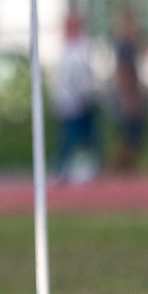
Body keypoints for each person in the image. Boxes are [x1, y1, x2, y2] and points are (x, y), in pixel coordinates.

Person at [51, 10, 100, 183]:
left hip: (82, 99)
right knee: (70, 136)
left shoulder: (83, 46)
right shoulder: (65, 48)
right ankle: (65, 168)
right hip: (69, 101)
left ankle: (87, 167)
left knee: (86, 136)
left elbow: (84, 74)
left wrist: (87, 93)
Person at [110, 5, 146, 174]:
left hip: (130, 93)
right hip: (128, 95)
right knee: (129, 136)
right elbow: (123, 72)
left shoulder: (127, 43)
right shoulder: (124, 45)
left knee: (133, 135)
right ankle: (119, 170)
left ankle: (126, 170)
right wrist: (128, 97)